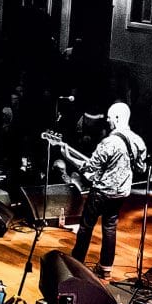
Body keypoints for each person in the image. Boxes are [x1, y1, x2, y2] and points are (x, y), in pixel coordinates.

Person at [59, 102, 147, 280]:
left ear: (117, 118)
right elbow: (141, 169)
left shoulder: (109, 142)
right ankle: (106, 268)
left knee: (85, 227)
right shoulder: (138, 141)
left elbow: (89, 169)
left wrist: (68, 157)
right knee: (109, 227)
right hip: (121, 193)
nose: (107, 120)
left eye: (109, 117)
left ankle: (76, 265)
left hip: (101, 192)